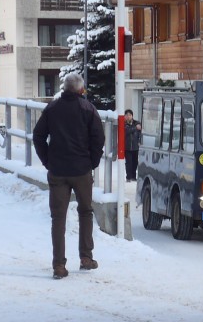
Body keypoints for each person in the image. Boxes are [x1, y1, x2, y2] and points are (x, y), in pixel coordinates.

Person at [32, 73, 105, 279]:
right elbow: (98, 138)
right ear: (81, 90)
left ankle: (59, 265)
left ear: (64, 88)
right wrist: (92, 162)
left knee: (58, 218)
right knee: (85, 212)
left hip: (58, 171)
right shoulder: (88, 109)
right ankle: (86, 257)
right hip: (82, 170)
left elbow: (38, 136)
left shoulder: (52, 108)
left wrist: (48, 161)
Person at [123, 109, 142, 182]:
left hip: (135, 147)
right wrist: (135, 128)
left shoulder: (136, 123)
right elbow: (127, 131)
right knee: (128, 162)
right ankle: (128, 177)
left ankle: (134, 176)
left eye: (130, 115)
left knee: (135, 162)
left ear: (132, 116)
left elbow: (140, 132)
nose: (128, 117)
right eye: (127, 115)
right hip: (127, 147)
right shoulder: (124, 124)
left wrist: (139, 141)